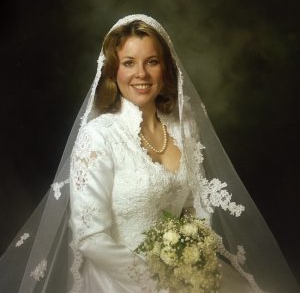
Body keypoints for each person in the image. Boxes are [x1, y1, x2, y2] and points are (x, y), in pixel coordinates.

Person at [0, 14, 299, 293]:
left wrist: (194, 263)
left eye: (151, 62)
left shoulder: (184, 128)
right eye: (128, 62)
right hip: (119, 278)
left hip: (181, 273)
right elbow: (90, 237)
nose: (140, 73)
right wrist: (158, 283)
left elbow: (194, 209)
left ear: (166, 68)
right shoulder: (99, 135)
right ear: (113, 70)